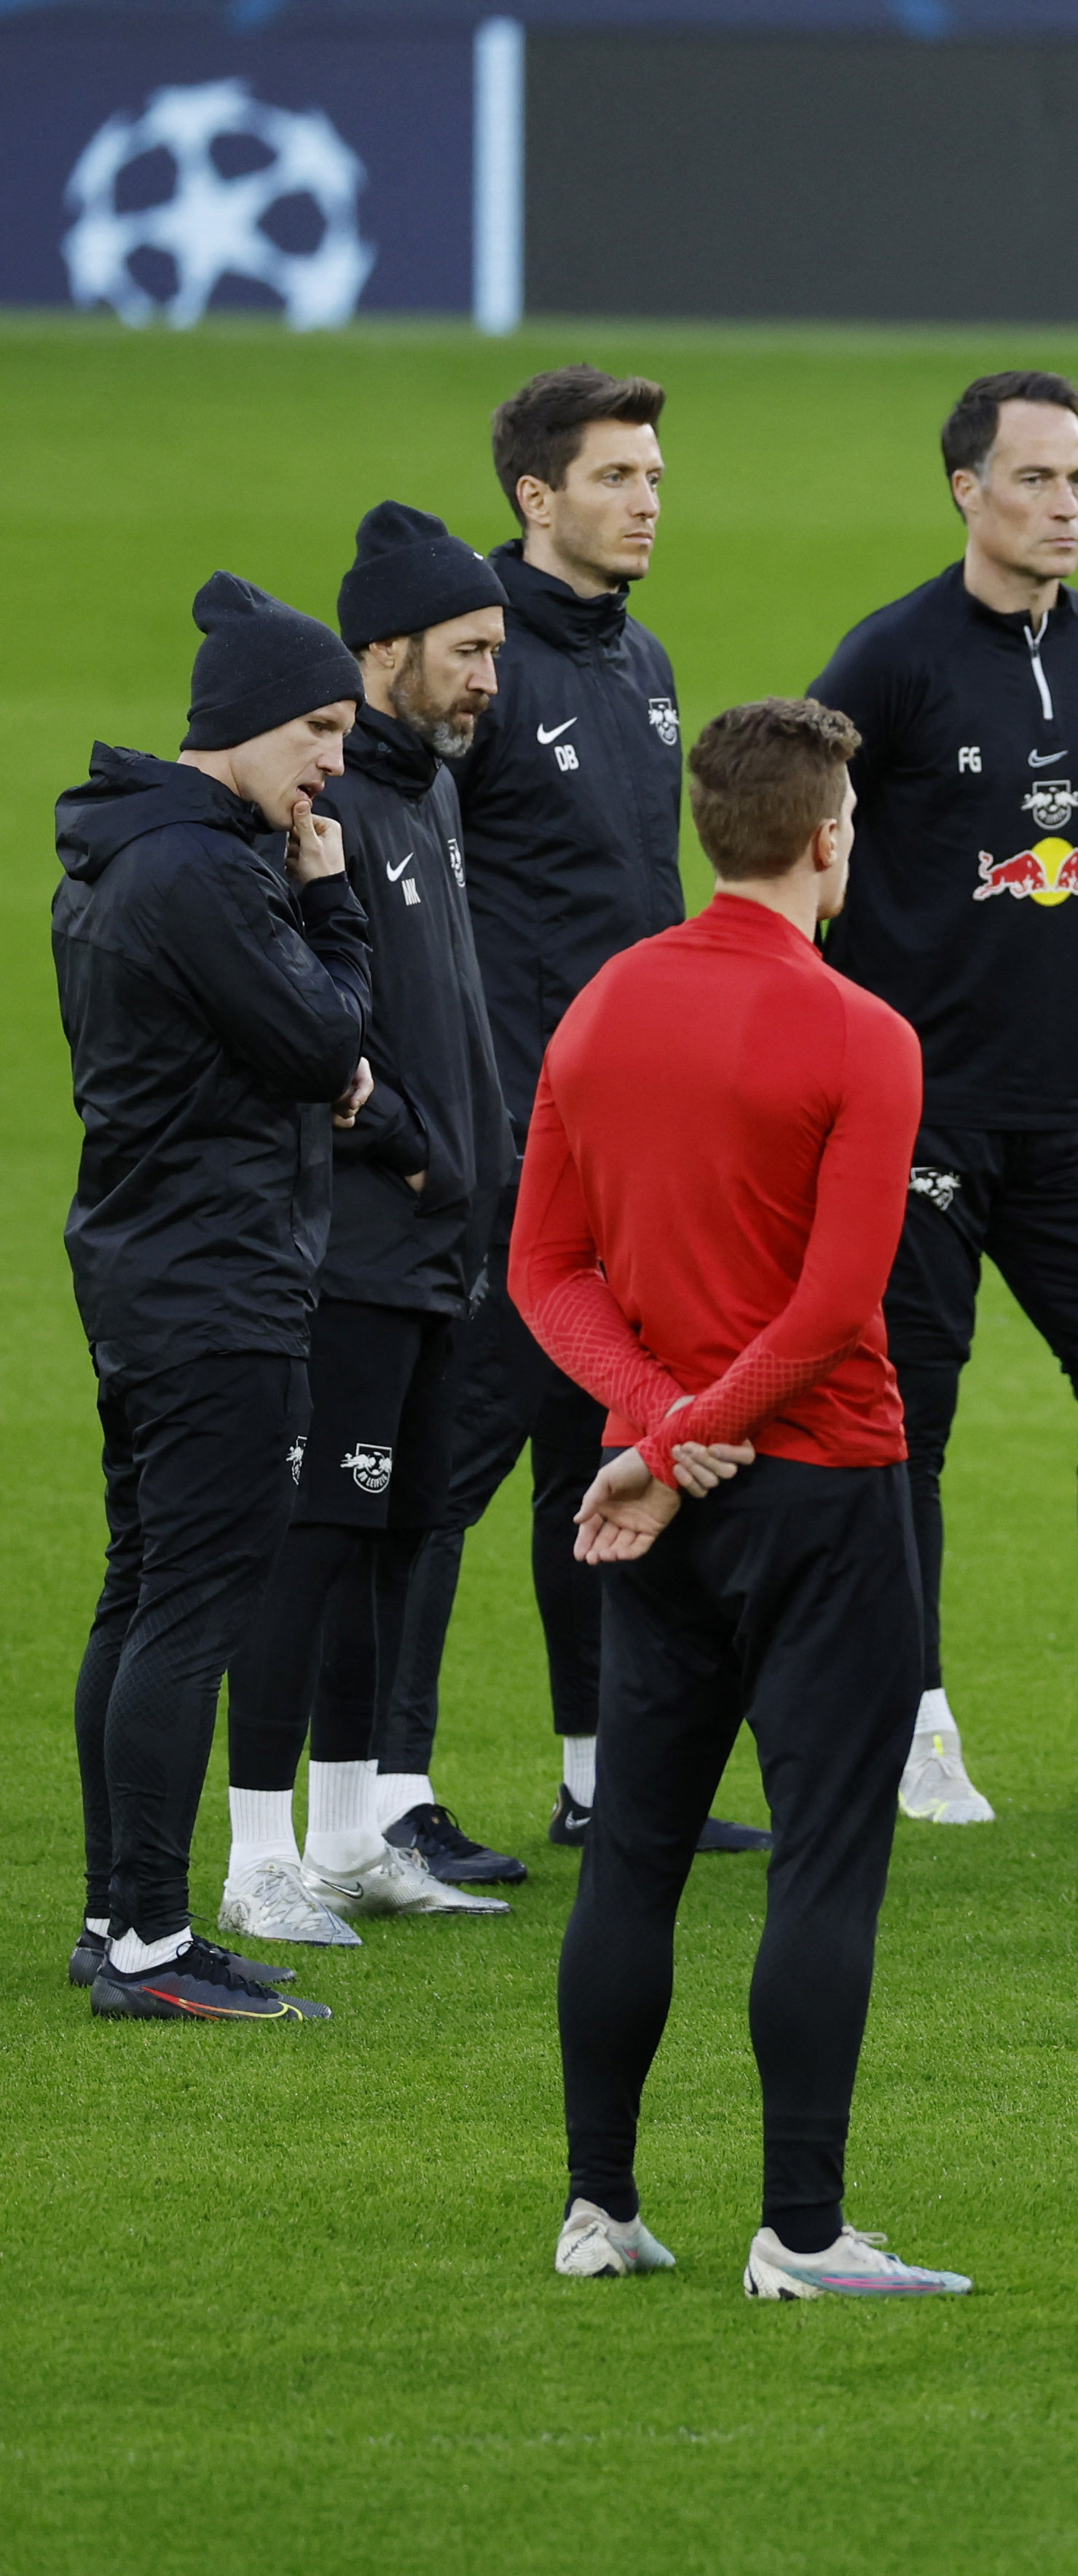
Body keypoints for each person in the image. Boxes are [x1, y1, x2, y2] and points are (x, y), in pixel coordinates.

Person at [516, 695, 964, 2298]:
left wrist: (646, 1431)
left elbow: (542, 1267)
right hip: (826, 1490)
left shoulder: (599, 1009)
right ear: (829, 837)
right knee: (824, 1858)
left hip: (658, 1508)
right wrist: (692, 1427)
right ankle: (802, 2226)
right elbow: (840, 1305)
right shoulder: (866, 1034)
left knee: (633, 1847)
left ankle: (598, 2205)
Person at [414, 364, 765, 1860]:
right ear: (534, 497)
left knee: (595, 1454)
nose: (645, 503)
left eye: (656, 478)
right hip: (506, 1150)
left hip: (626, 1148)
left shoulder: (643, 661)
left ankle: (599, 1774)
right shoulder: (475, 667)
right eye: (616, 477)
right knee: (440, 1468)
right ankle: (384, 1797)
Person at [811, 370, 1078, 1822]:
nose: (1066, 505)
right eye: (1035, 480)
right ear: (967, 489)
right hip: (918, 1112)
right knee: (912, 1416)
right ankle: (914, 1723)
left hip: (1074, 1110)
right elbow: (807, 846)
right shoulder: (888, 660)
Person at [56, 573, 376, 2021]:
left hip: (151, 1264)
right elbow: (323, 1041)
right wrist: (333, 906)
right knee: (189, 1605)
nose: (332, 763)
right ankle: (145, 1940)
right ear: (240, 724)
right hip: (217, 1280)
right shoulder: (200, 873)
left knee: (141, 1595)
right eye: (317, 727)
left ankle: (120, 1920)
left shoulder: (144, 855)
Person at [213, 504, 523, 1948]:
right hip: (354, 1241)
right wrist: (403, 1141)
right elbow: (305, 1028)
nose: (486, 680)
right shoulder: (317, 810)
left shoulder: (425, 794)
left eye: (496, 652)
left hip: (435, 1242)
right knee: (314, 1541)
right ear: (381, 646)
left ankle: (349, 1833)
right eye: (466, 650)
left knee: (388, 1532)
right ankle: (257, 1849)